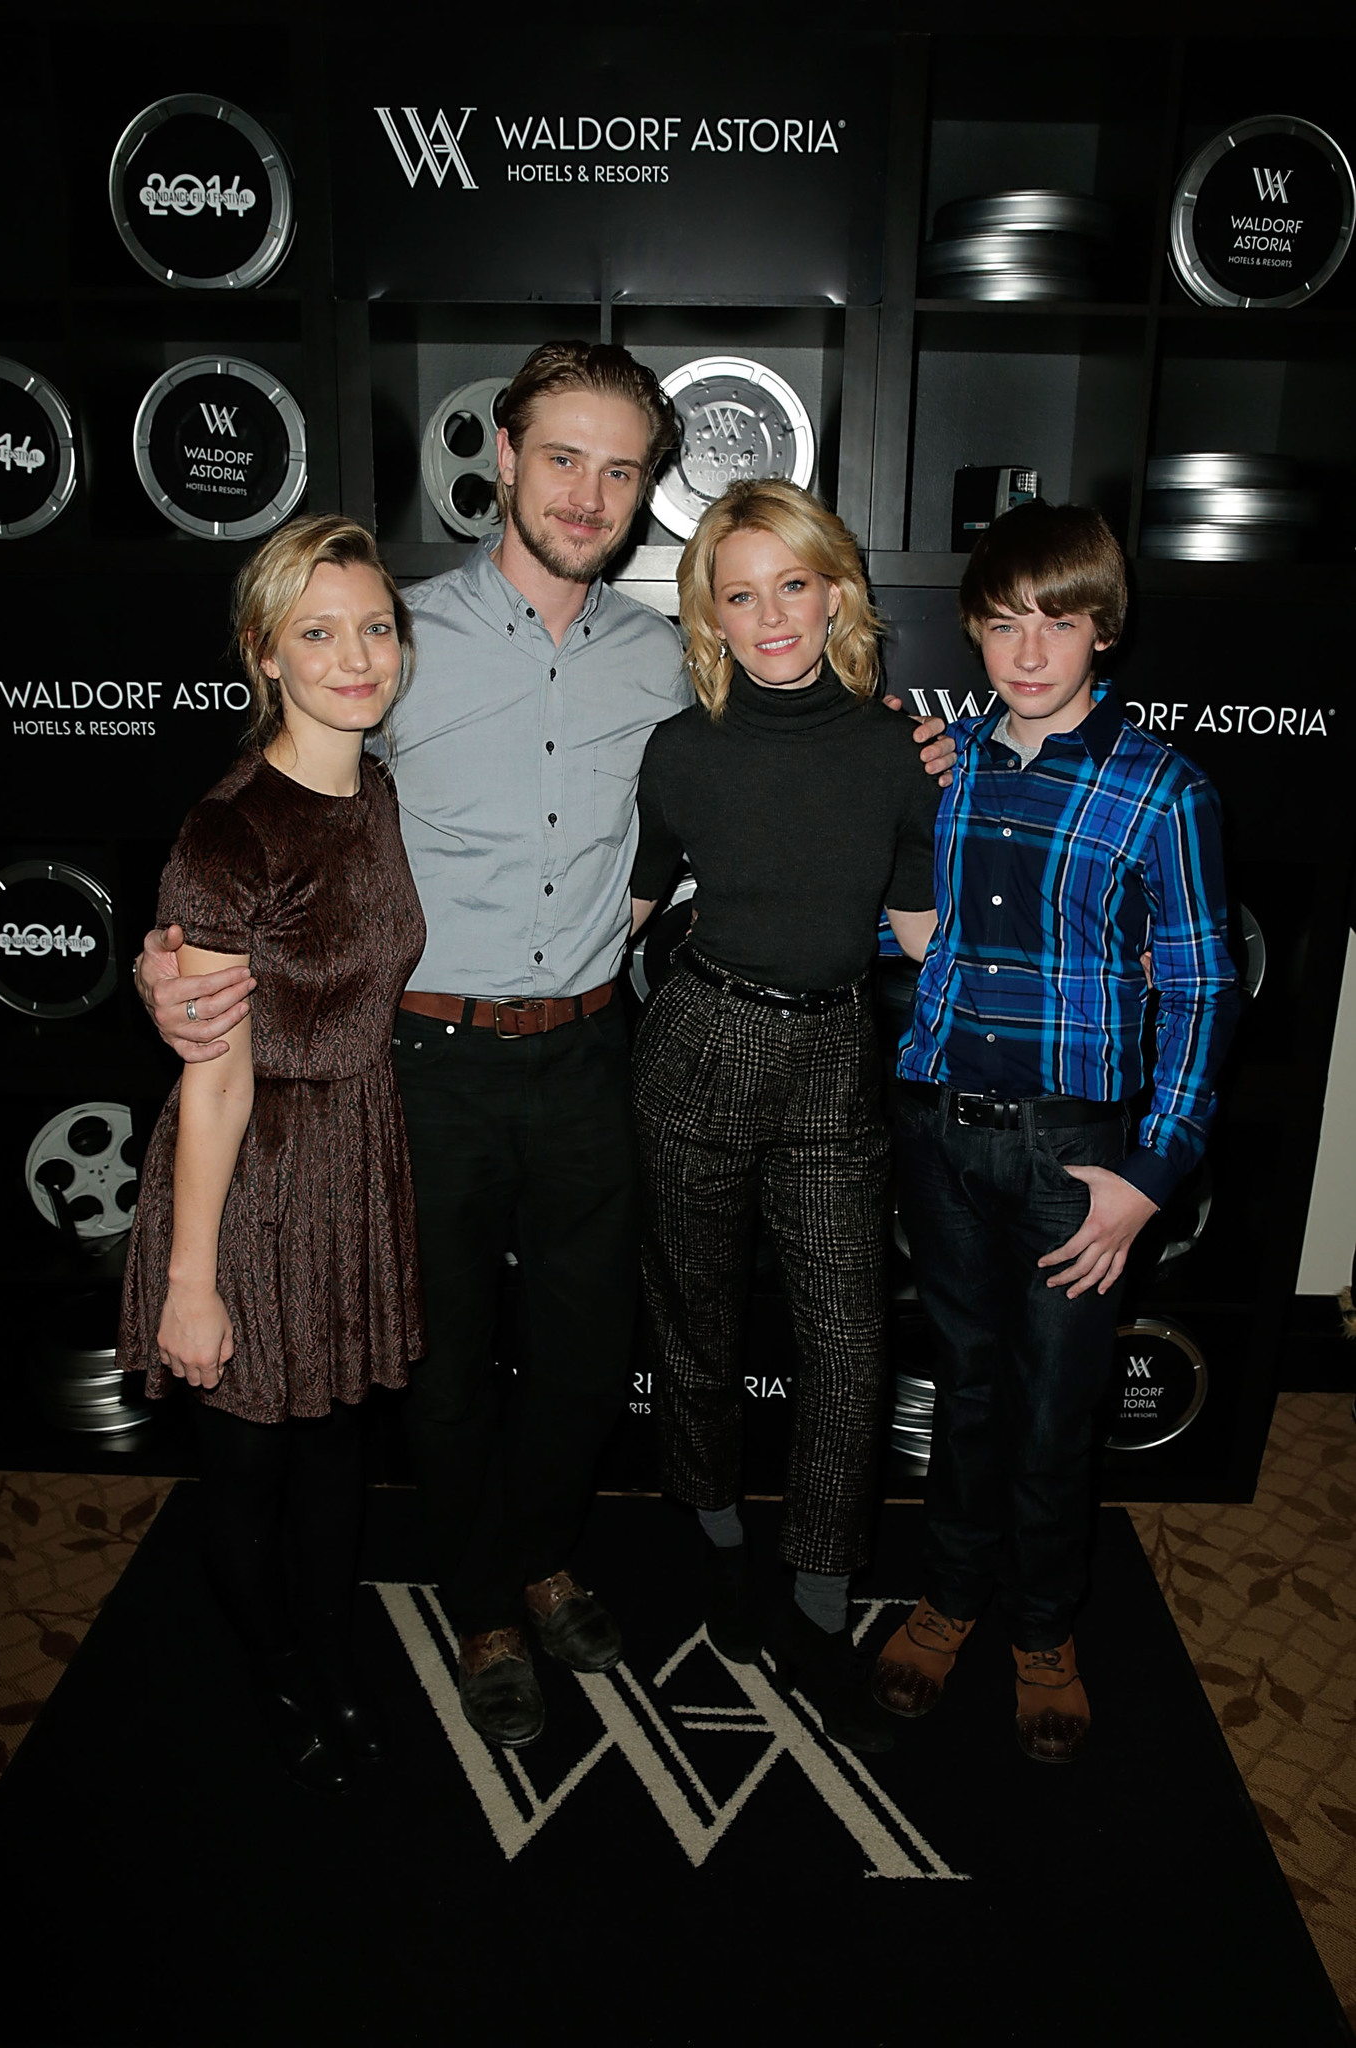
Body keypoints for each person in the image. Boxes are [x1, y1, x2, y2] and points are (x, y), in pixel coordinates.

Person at [134, 340, 954, 1752]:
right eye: (561, 457)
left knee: (584, 1353)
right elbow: (277, 797)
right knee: (447, 1361)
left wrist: (902, 750)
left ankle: (539, 1547)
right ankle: (484, 1603)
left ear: (646, 497)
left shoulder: (668, 660)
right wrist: (172, 953)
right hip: (424, 1067)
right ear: (502, 459)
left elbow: (783, 753)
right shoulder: (395, 640)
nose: (587, 492)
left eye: (620, 469)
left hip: (593, 1054)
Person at [871, 500, 1240, 1760]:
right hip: (935, 1128)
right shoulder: (947, 766)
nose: (1030, 650)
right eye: (1005, 621)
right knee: (965, 1390)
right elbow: (910, 936)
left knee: (1053, 1408)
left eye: (1060, 621)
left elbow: (1200, 985)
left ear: (1102, 631)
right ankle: (951, 1595)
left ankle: (1044, 1624)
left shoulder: (1163, 789)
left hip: (1071, 1154)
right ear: (974, 628)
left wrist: (1148, 1176)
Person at [628, 479, 939, 1755]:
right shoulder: (681, 749)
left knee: (852, 1340)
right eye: (739, 592)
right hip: (699, 1041)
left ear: (835, 592)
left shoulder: (892, 747)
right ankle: (712, 1528)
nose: (770, 616)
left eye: (791, 585)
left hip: (834, 1057)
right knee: (695, 1322)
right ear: (708, 609)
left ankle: (819, 1579)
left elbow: (924, 935)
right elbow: (628, 912)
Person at [118, 514, 425, 1793]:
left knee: (337, 1449)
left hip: (356, 1154)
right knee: (245, 1465)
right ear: (265, 654)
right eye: (319, 631)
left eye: (376, 627)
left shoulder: (378, 785)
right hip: (249, 1178)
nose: (357, 657)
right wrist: (193, 1280)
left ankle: (333, 1648)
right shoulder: (228, 832)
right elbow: (217, 1073)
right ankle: (271, 1664)